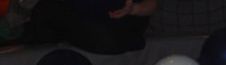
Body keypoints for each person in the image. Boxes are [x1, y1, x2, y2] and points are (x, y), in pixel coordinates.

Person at [21, 0, 158, 54]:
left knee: (107, 38)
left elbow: (151, 5)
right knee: (44, 12)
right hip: (75, 16)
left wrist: (134, 9)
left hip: (117, 25)